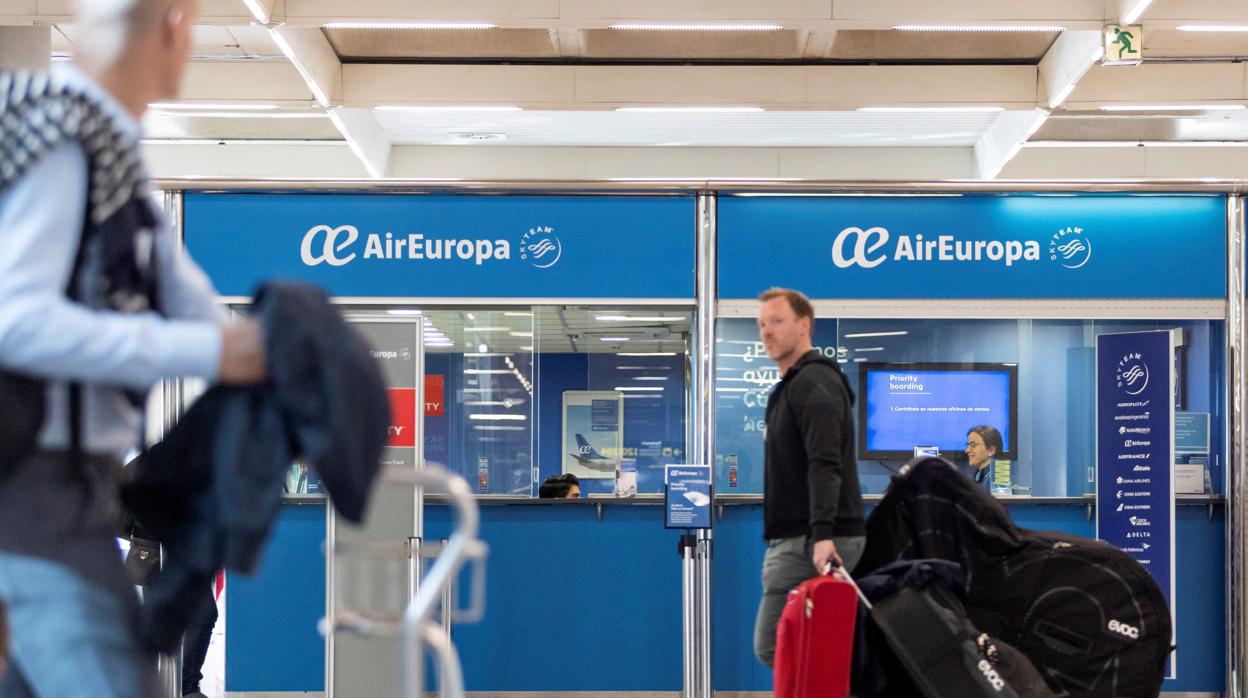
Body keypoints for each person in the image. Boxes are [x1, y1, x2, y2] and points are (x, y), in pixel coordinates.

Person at [0, 0, 267, 694]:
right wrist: (208, 356)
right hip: (33, 499)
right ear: (176, 25)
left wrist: (283, 348)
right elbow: (15, 322)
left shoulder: (123, 169)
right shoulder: (67, 139)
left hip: (75, 499)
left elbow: (205, 319)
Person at [752, 287, 865, 669]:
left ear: (804, 326)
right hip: (804, 536)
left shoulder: (814, 384)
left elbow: (824, 463)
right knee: (813, 649)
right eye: (762, 323)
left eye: (777, 321)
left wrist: (822, 535)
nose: (767, 331)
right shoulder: (792, 386)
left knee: (775, 644)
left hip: (811, 541)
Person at [962, 425, 1003, 492]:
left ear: (991, 450)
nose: (967, 450)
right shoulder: (980, 475)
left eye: (973, 445)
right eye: (967, 445)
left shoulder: (998, 478)